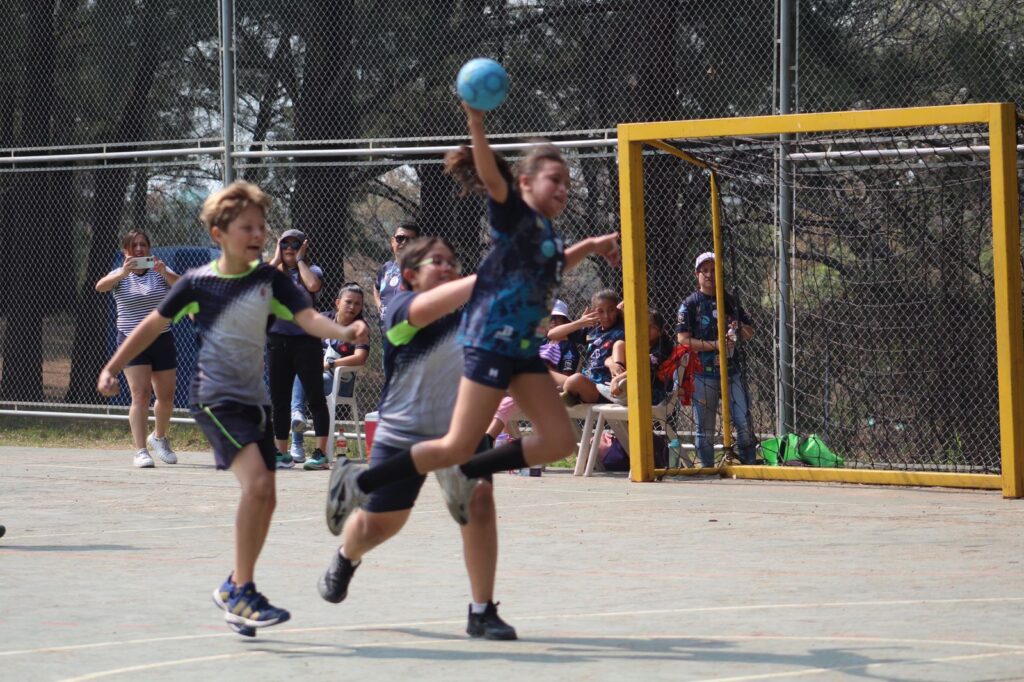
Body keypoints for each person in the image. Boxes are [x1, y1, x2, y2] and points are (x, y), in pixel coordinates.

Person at [326, 101, 619, 531]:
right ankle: (359, 477)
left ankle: (468, 468)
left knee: (558, 439)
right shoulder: (513, 215)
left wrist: (592, 245)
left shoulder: (547, 237)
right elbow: (490, 174)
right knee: (453, 445)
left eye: (567, 184)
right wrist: (476, 123)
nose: (563, 189)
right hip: (490, 343)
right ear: (523, 183)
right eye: (554, 180)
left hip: (520, 349)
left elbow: (557, 262)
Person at [97, 181, 359, 635]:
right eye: (246, 227)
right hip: (216, 399)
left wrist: (342, 328)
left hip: (252, 400)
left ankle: (236, 588)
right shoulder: (199, 283)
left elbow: (306, 318)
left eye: (261, 226)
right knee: (259, 484)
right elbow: (148, 325)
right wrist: (113, 365)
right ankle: (241, 591)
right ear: (220, 234)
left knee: (267, 493)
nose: (258, 234)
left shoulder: (271, 280)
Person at [319, 236, 516, 640]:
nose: (448, 268)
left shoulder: (470, 321)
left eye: (451, 262)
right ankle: (346, 556)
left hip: (459, 427)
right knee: (382, 524)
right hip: (405, 431)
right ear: (409, 276)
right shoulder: (401, 310)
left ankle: (481, 610)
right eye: (436, 262)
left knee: (478, 502)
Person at [95, 229, 181, 468]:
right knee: (140, 395)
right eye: (134, 246)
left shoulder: (159, 271)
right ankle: (141, 450)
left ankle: (159, 437)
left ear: (149, 248)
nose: (140, 249)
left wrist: (165, 272)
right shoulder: (119, 275)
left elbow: (184, 286)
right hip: (131, 343)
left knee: (166, 397)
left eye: (143, 245)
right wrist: (122, 273)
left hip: (161, 339)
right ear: (126, 251)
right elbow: (100, 287)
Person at [676, 251, 756, 466]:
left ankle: (749, 464)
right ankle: (707, 467)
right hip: (704, 372)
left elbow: (749, 332)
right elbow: (683, 339)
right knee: (706, 426)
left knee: (743, 419)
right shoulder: (690, 304)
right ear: (697, 275)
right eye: (705, 271)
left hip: (732, 370)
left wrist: (738, 329)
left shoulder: (729, 301)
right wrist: (714, 345)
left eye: (714, 270)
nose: (709, 275)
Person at [290, 282, 370, 470]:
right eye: (348, 302)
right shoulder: (324, 318)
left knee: (308, 377)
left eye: (357, 304)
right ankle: (297, 430)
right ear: (337, 303)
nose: (353, 307)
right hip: (317, 375)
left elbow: (361, 357)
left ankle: (296, 434)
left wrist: (330, 364)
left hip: (340, 380)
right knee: (301, 372)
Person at [266, 228, 328, 469]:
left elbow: (313, 286)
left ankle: (320, 453)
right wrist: (275, 258)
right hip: (277, 341)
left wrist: (299, 260)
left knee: (315, 398)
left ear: (304, 246)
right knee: (279, 400)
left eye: (295, 244)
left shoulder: (312, 271)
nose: (289, 249)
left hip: (306, 341)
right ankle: (282, 453)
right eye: (285, 244)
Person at [485, 299, 579, 440]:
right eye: (549, 318)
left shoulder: (568, 347)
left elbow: (566, 380)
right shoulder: (540, 342)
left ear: (566, 322)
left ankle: (489, 439)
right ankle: (503, 441)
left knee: (506, 403)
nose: (552, 322)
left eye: (557, 318)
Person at [550, 289, 626, 405]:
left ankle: (568, 395)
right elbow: (552, 334)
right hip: (587, 382)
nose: (606, 316)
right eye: (600, 311)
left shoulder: (622, 329)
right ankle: (569, 394)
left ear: (616, 310)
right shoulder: (591, 329)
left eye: (610, 310)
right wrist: (580, 322)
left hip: (604, 389)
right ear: (594, 312)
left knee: (575, 380)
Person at [607, 309, 675, 406]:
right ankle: (619, 388)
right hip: (633, 384)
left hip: (654, 393)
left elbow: (643, 366)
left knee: (641, 364)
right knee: (619, 344)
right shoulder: (640, 341)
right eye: (644, 325)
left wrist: (616, 380)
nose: (646, 329)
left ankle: (620, 389)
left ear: (660, 331)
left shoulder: (663, 345)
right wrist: (612, 365)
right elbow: (608, 359)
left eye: (652, 326)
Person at [374, 221, 420, 332]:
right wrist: (379, 306)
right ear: (392, 241)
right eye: (400, 238)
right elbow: (376, 287)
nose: (404, 243)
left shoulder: (422, 269)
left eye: (410, 240)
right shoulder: (386, 268)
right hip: (387, 333)